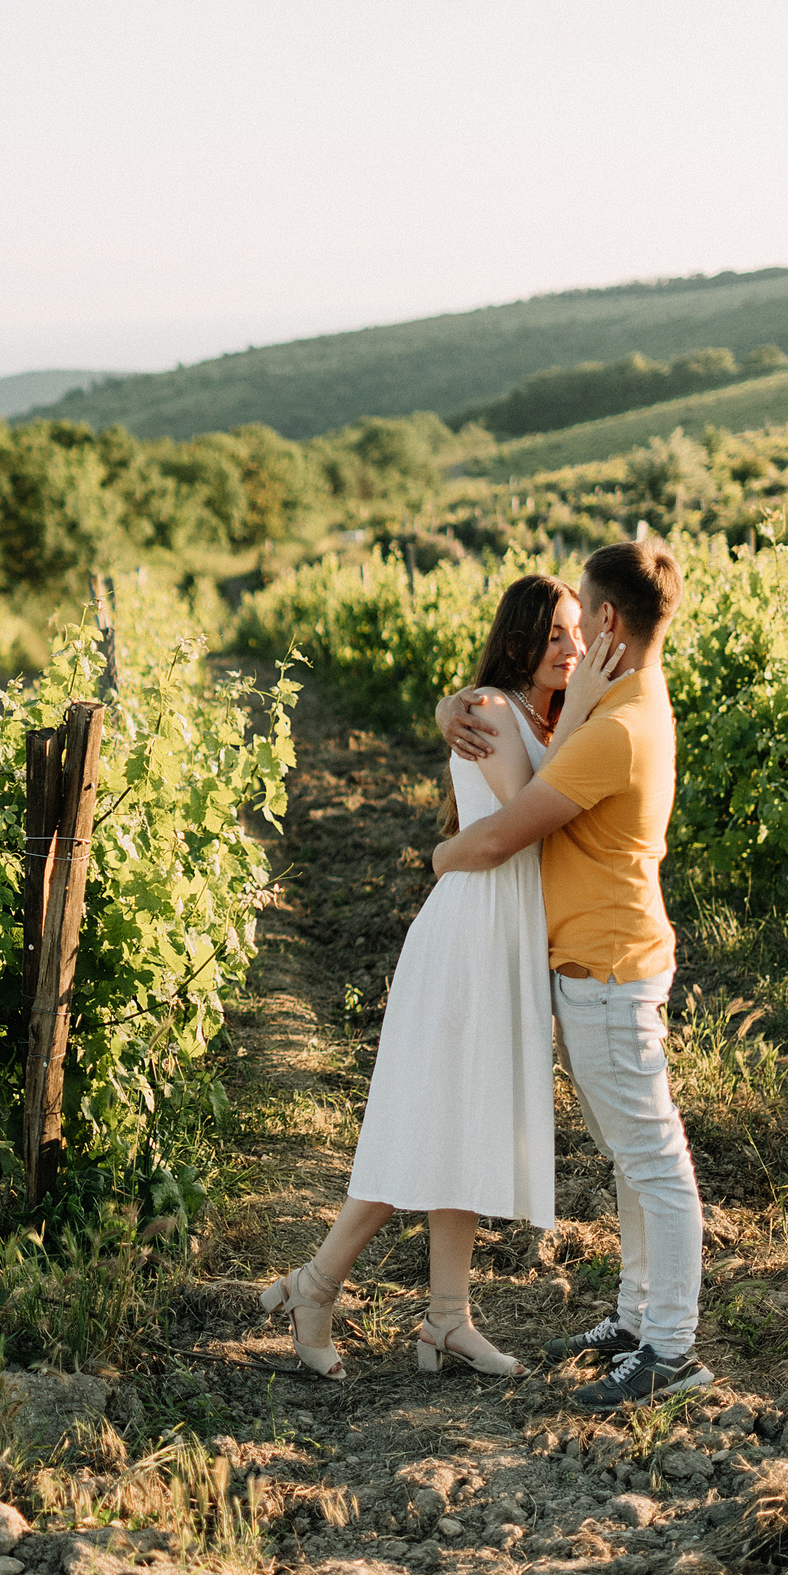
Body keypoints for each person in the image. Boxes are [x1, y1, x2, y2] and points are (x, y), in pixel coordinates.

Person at [260, 572, 622, 1380]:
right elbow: (527, 808)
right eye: (556, 635)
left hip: (510, 936)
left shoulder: (546, 714)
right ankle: (315, 1285)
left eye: (577, 634)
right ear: (521, 639)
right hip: (468, 933)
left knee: (469, 1119)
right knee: (425, 1124)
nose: (571, 649)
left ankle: (446, 1320)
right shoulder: (491, 709)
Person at [431, 539, 712, 1411]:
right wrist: (455, 705)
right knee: (631, 1159)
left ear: (612, 623)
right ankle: (635, 1317)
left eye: (585, 616)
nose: (577, 630)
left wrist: (440, 856)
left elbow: (508, 830)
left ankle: (670, 1346)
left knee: (654, 1160)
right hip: (600, 965)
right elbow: (513, 720)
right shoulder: (626, 705)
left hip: (610, 971)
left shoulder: (615, 728)